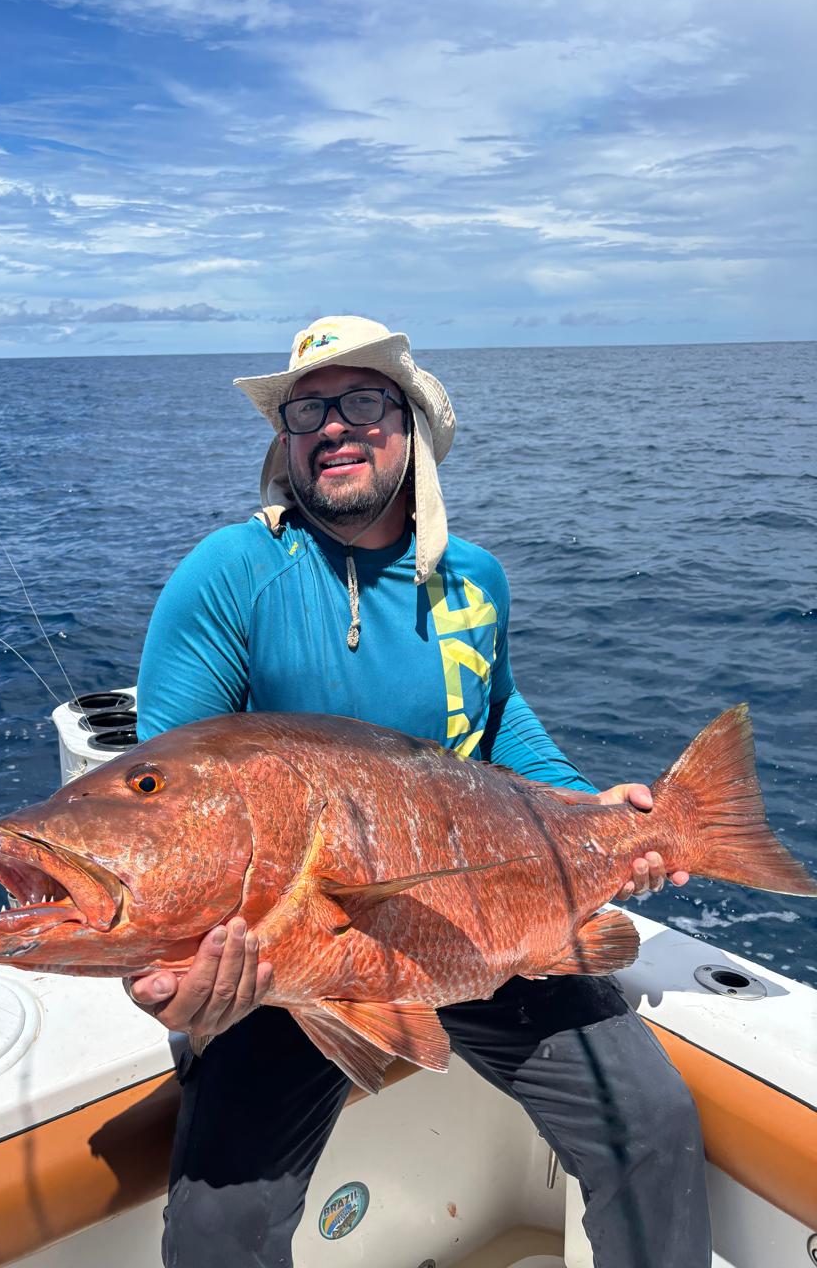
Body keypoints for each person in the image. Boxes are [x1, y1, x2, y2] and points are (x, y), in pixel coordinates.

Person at [130, 316, 710, 1268]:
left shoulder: (473, 577)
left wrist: (588, 811)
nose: (335, 426)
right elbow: (168, 811)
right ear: (285, 441)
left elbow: (496, 717)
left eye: (364, 401)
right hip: (296, 957)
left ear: (412, 427)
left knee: (652, 1125)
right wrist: (164, 970)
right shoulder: (229, 576)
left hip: (470, 922)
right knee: (214, 1237)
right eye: (308, 408)